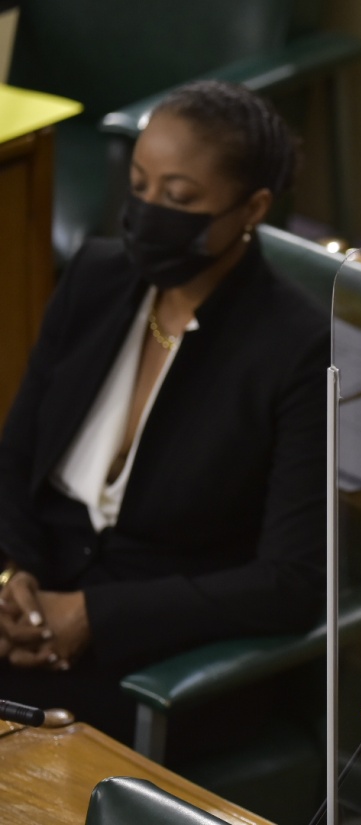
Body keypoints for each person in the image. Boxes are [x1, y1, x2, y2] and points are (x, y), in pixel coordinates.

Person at [0, 80, 328, 751]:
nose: (147, 213)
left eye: (178, 200)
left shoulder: (295, 346)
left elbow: (291, 581)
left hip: (160, 657)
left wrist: (96, 615)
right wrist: (14, 576)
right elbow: (15, 455)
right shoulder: (95, 276)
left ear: (252, 208)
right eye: (140, 186)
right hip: (32, 607)